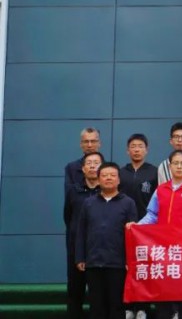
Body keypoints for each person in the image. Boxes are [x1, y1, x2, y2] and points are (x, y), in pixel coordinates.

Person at [136, 149, 182, 319]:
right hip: (163, 252)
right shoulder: (161, 190)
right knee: (163, 298)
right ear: (169, 166)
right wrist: (136, 226)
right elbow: (152, 215)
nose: (179, 166)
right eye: (175, 163)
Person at [74, 162, 137, 319]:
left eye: (112, 175)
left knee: (116, 305)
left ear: (119, 180)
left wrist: (130, 260)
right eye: (104, 175)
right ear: (98, 179)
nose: (108, 178)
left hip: (118, 264)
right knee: (96, 306)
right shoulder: (89, 203)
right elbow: (81, 231)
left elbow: (133, 235)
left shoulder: (128, 203)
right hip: (93, 262)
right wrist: (80, 257)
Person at [118, 134, 156, 319]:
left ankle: (142, 307)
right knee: (125, 267)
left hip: (146, 229)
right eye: (133, 146)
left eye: (140, 146)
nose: (136, 149)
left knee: (144, 268)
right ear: (127, 150)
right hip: (123, 227)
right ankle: (128, 306)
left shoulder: (154, 172)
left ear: (146, 150)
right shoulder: (120, 173)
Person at [64, 151, 103, 319]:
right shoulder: (74, 191)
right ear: (83, 168)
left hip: (100, 251)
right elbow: (68, 216)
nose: (93, 166)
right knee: (75, 292)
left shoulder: (108, 191)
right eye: (89, 163)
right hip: (76, 249)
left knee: (99, 295)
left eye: (96, 163)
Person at [65, 127, 102, 196]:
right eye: (86, 141)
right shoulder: (72, 168)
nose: (89, 145)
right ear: (81, 144)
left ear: (99, 144)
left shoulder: (107, 168)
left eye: (93, 141)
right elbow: (69, 196)